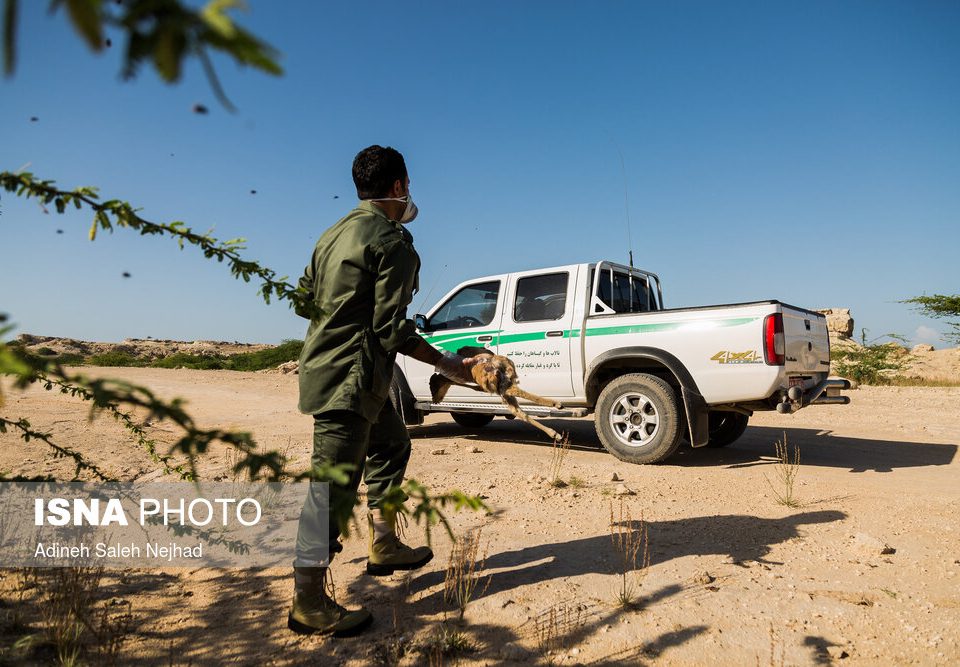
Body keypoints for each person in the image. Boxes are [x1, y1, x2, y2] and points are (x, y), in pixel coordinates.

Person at [288, 145, 477, 637]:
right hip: (350, 380)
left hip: (338, 372)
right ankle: (306, 602)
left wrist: (338, 319)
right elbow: (390, 329)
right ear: (398, 187)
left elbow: (301, 300)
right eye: (407, 185)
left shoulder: (332, 235)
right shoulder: (392, 241)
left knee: (392, 443)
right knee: (329, 490)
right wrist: (448, 364)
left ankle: (384, 544)